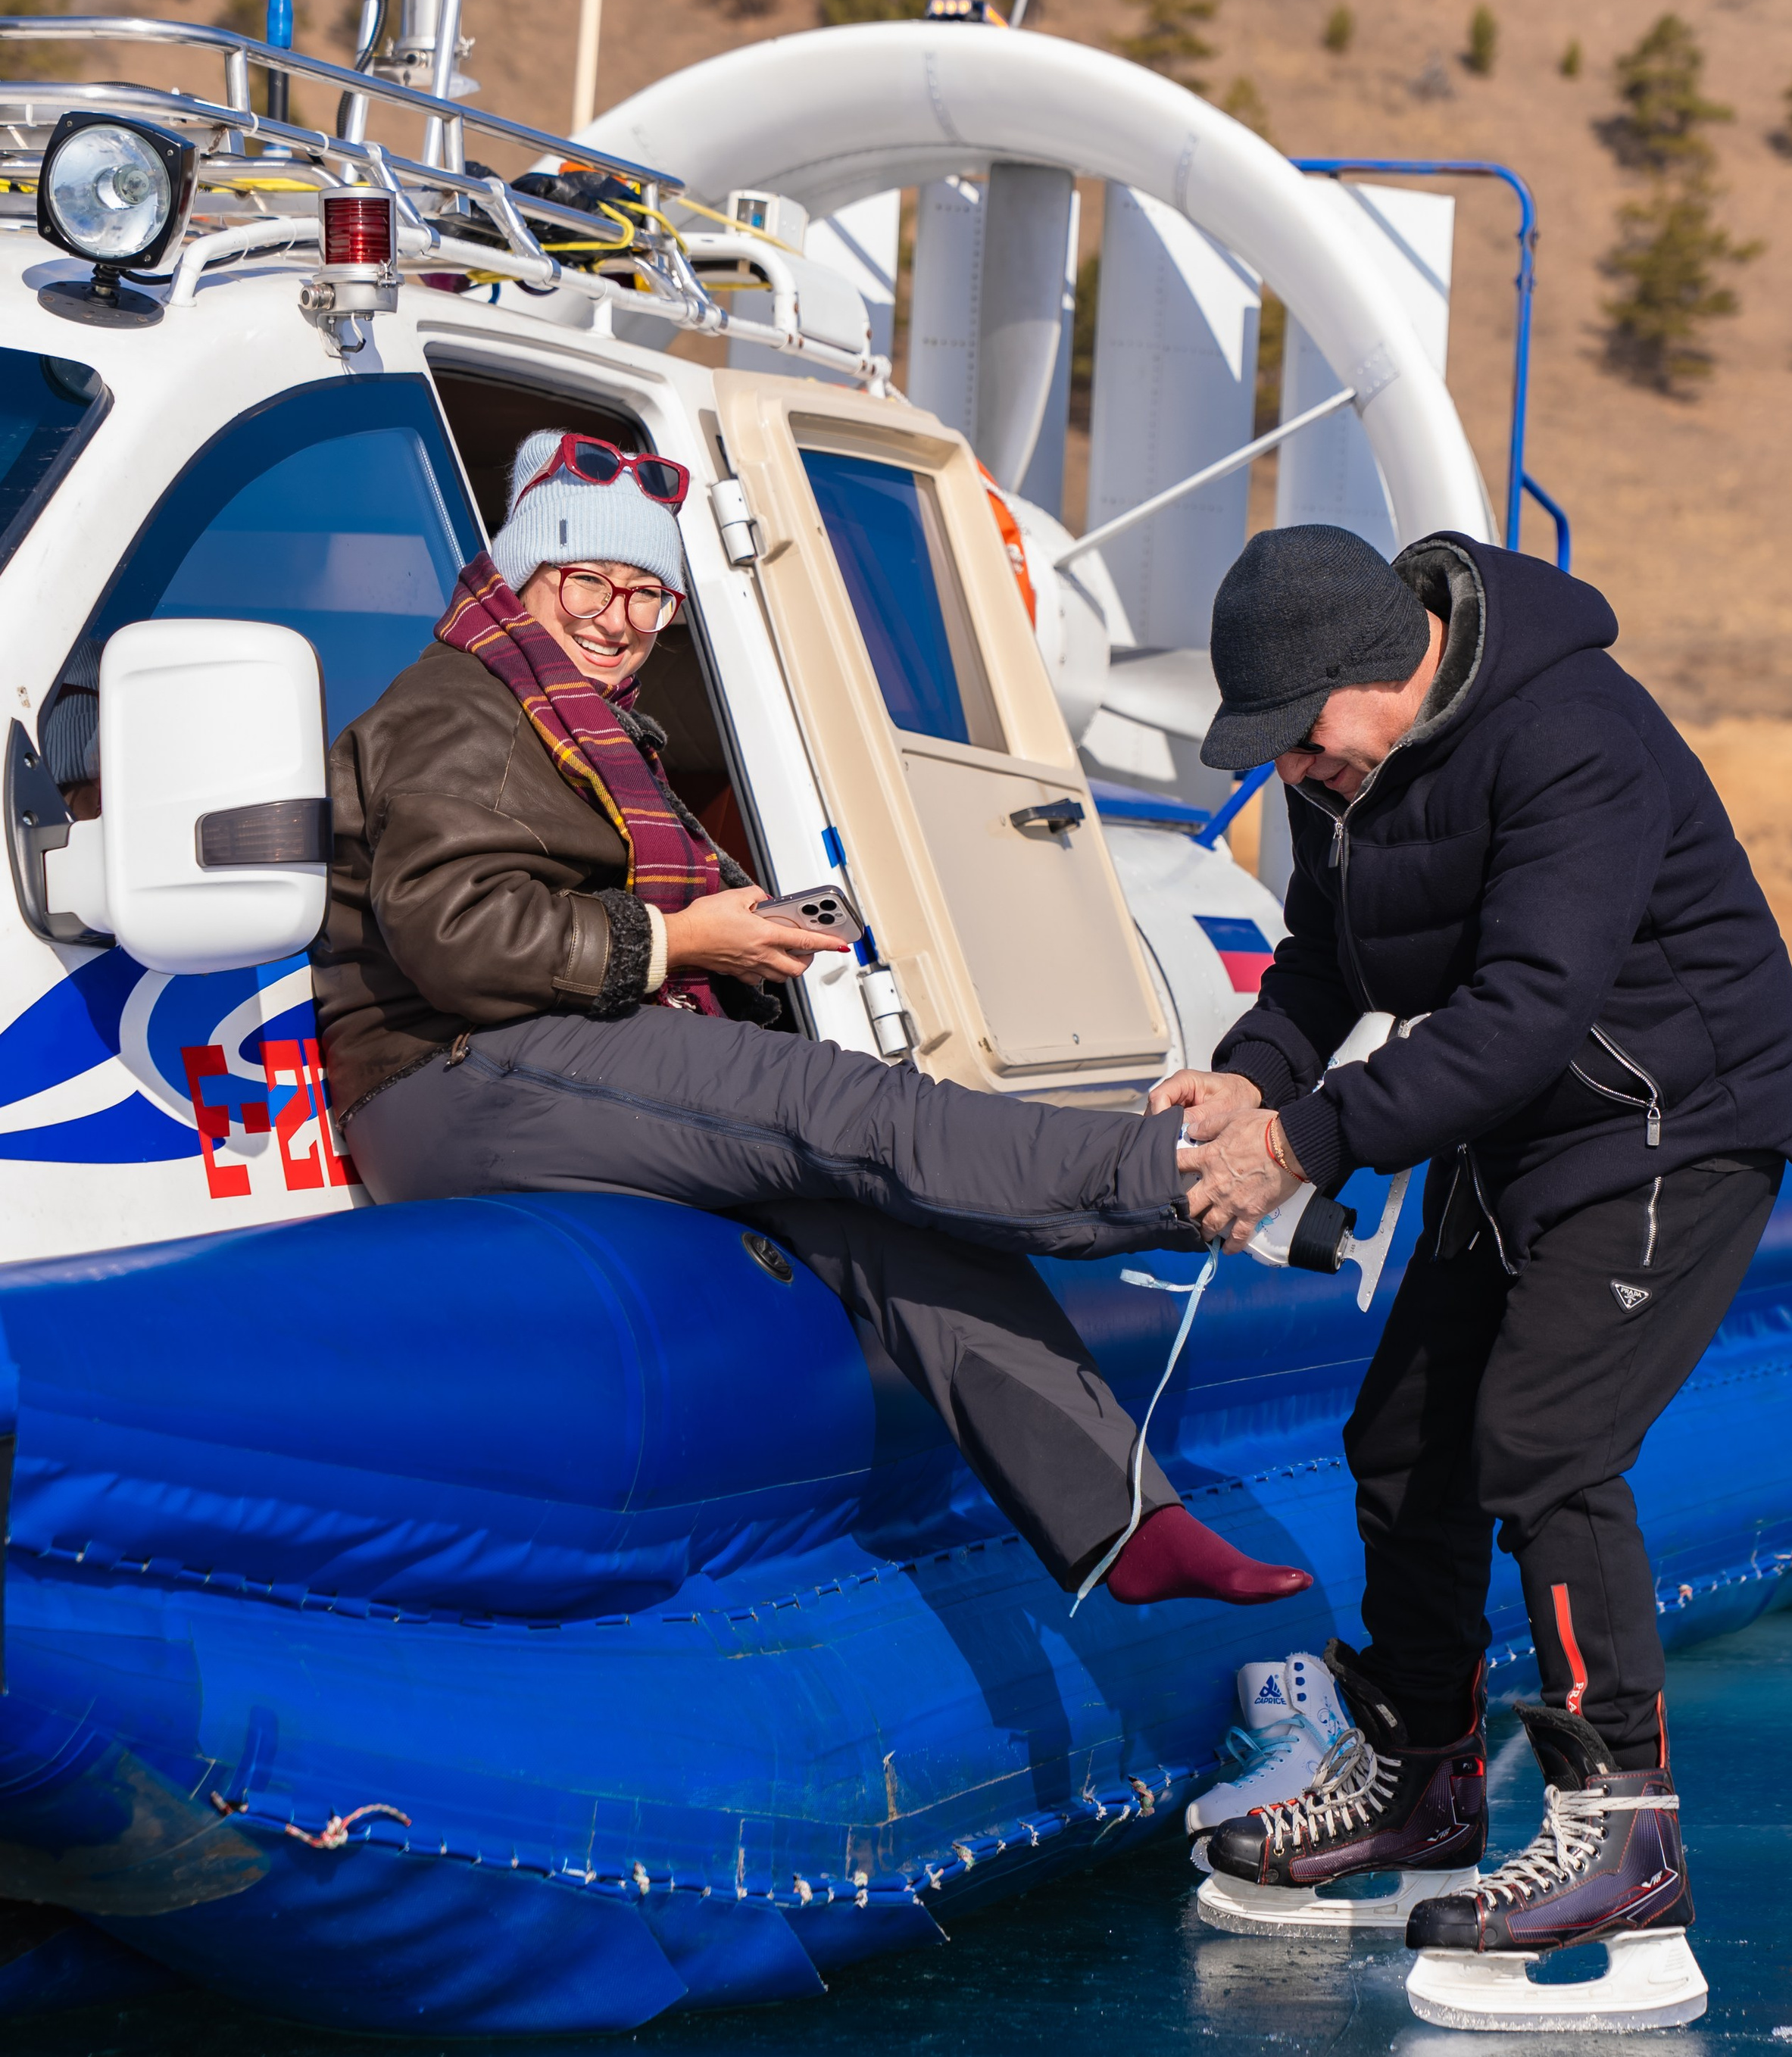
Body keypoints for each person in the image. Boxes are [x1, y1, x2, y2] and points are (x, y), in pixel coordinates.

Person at [313, 427, 1308, 1612]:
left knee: (884, 1209)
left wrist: (733, 939)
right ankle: (1181, 1174)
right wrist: (687, 941)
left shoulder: (568, 715)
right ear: (525, 574)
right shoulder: (455, 710)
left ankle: (1124, 1519)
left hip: (535, 1049)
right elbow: (461, 943)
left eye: (649, 595)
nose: (618, 617)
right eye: (588, 580)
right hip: (450, 1070)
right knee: (836, 1102)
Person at [1157, 523, 1792, 1971]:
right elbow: (1322, 968)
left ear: (1383, 668)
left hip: (1671, 1118)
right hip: (1516, 1116)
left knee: (1544, 1443)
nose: (1292, 769)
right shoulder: (1347, 769)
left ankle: (1626, 1833)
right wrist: (1251, 1078)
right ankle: (1420, 1781)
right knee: (1402, 1440)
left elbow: (1527, 1007)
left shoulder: (1572, 732)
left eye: (1298, 735)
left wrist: (1308, 1146)